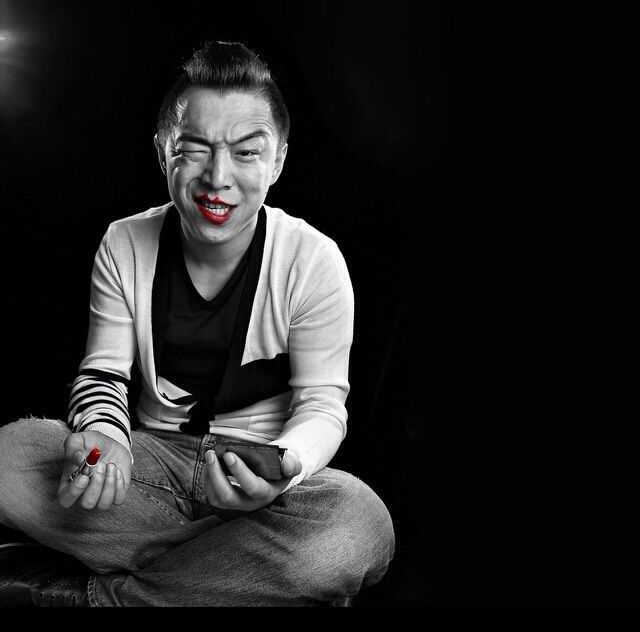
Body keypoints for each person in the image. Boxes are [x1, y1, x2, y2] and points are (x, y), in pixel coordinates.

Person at [0, 40, 395, 607]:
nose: (217, 177)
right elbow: (103, 372)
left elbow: (323, 406)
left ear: (278, 161)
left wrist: (282, 468)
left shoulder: (314, 259)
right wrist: (104, 437)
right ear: (165, 153)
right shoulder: (124, 241)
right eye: (194, 149)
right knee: (11, 454)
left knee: (358, 525)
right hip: (151, 464)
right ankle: (240, 573)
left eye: (246, 152)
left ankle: (102, 599)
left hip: (260, 481)